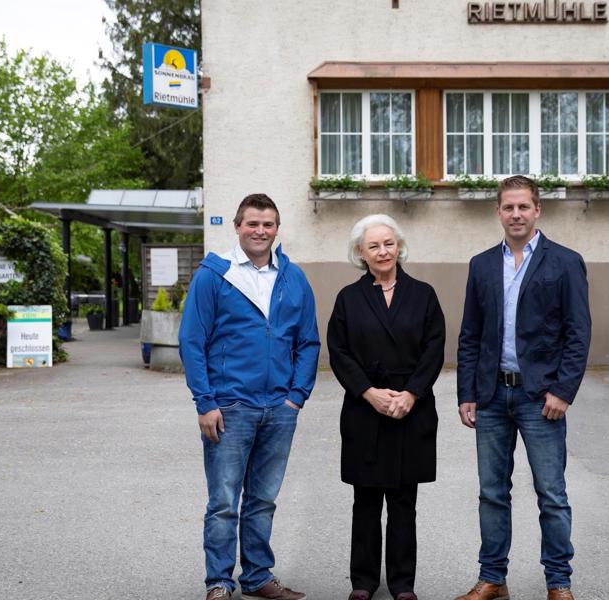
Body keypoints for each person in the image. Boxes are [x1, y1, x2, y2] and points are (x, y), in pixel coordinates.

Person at [454, 176, 591, 600]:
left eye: (523, 207)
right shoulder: (481, 264)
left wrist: (563, 391)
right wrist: (467, 393)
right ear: (498, 211)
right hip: (492, 396)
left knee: (551, 494)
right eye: (508, 207)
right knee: (492, 493)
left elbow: (578, 333)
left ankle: (559, 582)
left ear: (538, 211)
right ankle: (492, 578)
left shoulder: (565, 262)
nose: (516, 214)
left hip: (540, 399)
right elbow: (470, 335)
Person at [179, 193, 321, 600]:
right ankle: (219, 582)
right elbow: (192, 340)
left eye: (268, 224)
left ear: (277, 229)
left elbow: (308, 341)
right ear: (238, 227)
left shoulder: (293, 278)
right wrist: (205, 402)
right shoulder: (214, 275)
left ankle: (258, 577)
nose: (260, 231)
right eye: (253, 224)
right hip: (230, 407)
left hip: (279, 407)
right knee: (223, 501)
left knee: (263, 499)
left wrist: (297, 396)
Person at [327, 214, 446, 600]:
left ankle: (402, 584)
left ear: (399, 247)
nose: (383, 251)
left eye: (389, 243)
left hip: (411, 410)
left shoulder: (424, 294)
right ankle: (362, 582)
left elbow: (434, 349)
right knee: (365, 501)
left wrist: (411, 394)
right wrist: (368, 392)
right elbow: (339, 351)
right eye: (374, 245)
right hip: (366, 410)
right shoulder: (348, 298)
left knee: (403, 502)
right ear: (360, 253)